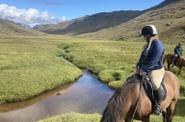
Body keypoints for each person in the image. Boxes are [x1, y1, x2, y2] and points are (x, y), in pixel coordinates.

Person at [136, 25, 165, 115]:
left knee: (155, 85)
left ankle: (157, 105)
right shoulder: (148, 44)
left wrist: (144, 70)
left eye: (144, 35)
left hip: (155, 69)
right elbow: (142, 56)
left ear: (148, 35)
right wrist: (138, 65)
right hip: (143, 68)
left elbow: (154, 61)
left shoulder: (158, 45)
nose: (143, 37)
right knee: (129, 80)